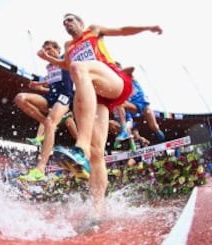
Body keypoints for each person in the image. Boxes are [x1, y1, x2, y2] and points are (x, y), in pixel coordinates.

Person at [37, 13, 162, 216]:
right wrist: (48, 59)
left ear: (80, 23)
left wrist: (147, 26)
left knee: (79, 68)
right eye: (64, 22)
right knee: (97, 154)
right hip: (94, 95)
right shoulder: (69, 45)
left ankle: (80, 148)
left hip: (113, 81)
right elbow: (66, 65)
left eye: (70, 20)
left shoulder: (93, 30)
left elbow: (122, 31)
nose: (67, 24)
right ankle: (98, 211)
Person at [14, 40, 78, 181]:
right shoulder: (49, 65)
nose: (47, 51)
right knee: (20, 98)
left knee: (53, 124)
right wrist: (39, 84)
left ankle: (40, 169)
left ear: (57, 49)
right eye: (45, 49)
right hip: (50, 98)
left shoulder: (63, 59)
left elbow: (66, 67)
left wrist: (48, 56)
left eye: (49, 49)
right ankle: (45, 122)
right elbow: (51, 79)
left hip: (64, 98)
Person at [114, 64, 165, 142]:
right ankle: (124, 130)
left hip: (143, 103)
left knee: (154, 126)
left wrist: (118, 72)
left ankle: (160, 135)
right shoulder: (117, 82)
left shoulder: (128, 74)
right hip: (133, 105)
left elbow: (132, 67)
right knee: (120, 104)